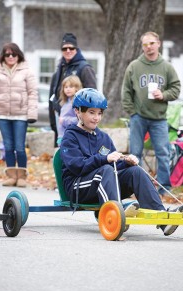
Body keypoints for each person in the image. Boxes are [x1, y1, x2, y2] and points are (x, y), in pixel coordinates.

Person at [60, 88, 183, 236]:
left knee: (135, 171)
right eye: (91, 112)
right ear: (78, 112)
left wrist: (126, 163)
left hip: (101, 183)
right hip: (77, 187)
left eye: (99, 113)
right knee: (104, 171)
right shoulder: (70, 137)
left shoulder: (103, 137)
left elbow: (113, 166)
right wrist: (104, 159)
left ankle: (163, 219)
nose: (96, 118)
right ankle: (116, 216)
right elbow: (77, 167)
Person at [121, 31, 181, 201]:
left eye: (152, 43)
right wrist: (131, 111)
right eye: (145, 44)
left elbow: (176, 88)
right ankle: (138, 187)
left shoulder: (166, 67)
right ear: (142, 47)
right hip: (138, 117)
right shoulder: (134, 66)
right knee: (135, 154)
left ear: (158, 44)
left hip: (159, 118)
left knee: (163, 153)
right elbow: (125, 91)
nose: (149, 47)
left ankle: (163, 189)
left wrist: (164, 95)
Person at [0, 42, 38, 187]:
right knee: (8, 146)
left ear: (18, 55)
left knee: (19, 147)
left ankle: (22, 176)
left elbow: (32, 92)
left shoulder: (26, 70)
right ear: (3, 55)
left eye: (13, 54)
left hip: (21, 115)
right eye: (7, 54)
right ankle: (11, 175)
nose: (10, 57)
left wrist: (32, 113)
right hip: (3, 115)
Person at [49, 32, 97, 146]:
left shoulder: (84, 68)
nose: (68, 50)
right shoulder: (60, 68)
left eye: (71, 48)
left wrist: (86, 119)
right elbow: (53, 94)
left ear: (76, 49)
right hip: (61, 119)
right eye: (64, 48)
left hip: (78, 120)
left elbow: (92, 95)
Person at [57, 75, 82, 146]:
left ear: (77, 88)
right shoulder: (65, 102)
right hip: (62, 135)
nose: (68, 89)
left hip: (71, 137)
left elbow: (79, 119)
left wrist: (64, 121)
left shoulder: (77, 103)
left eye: (71, 87)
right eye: (66, 87)